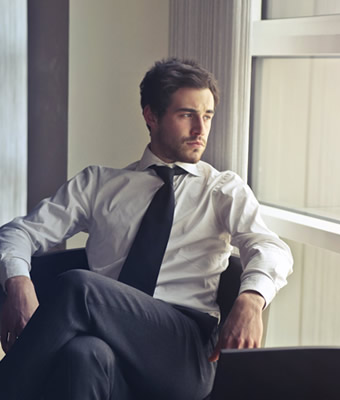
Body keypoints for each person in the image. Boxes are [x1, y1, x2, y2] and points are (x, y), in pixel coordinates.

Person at [0, 58, 293, 399]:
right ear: (151, 116)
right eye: (187, 115)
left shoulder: (222, 190)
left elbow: (271, 248)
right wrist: (19, 282)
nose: (201, 129)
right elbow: (16, 233)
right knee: (84, 356)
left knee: (77, 287)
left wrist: (252, 298)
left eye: (208, 116)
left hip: (181, 350)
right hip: (106, 341)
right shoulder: (99, 184)